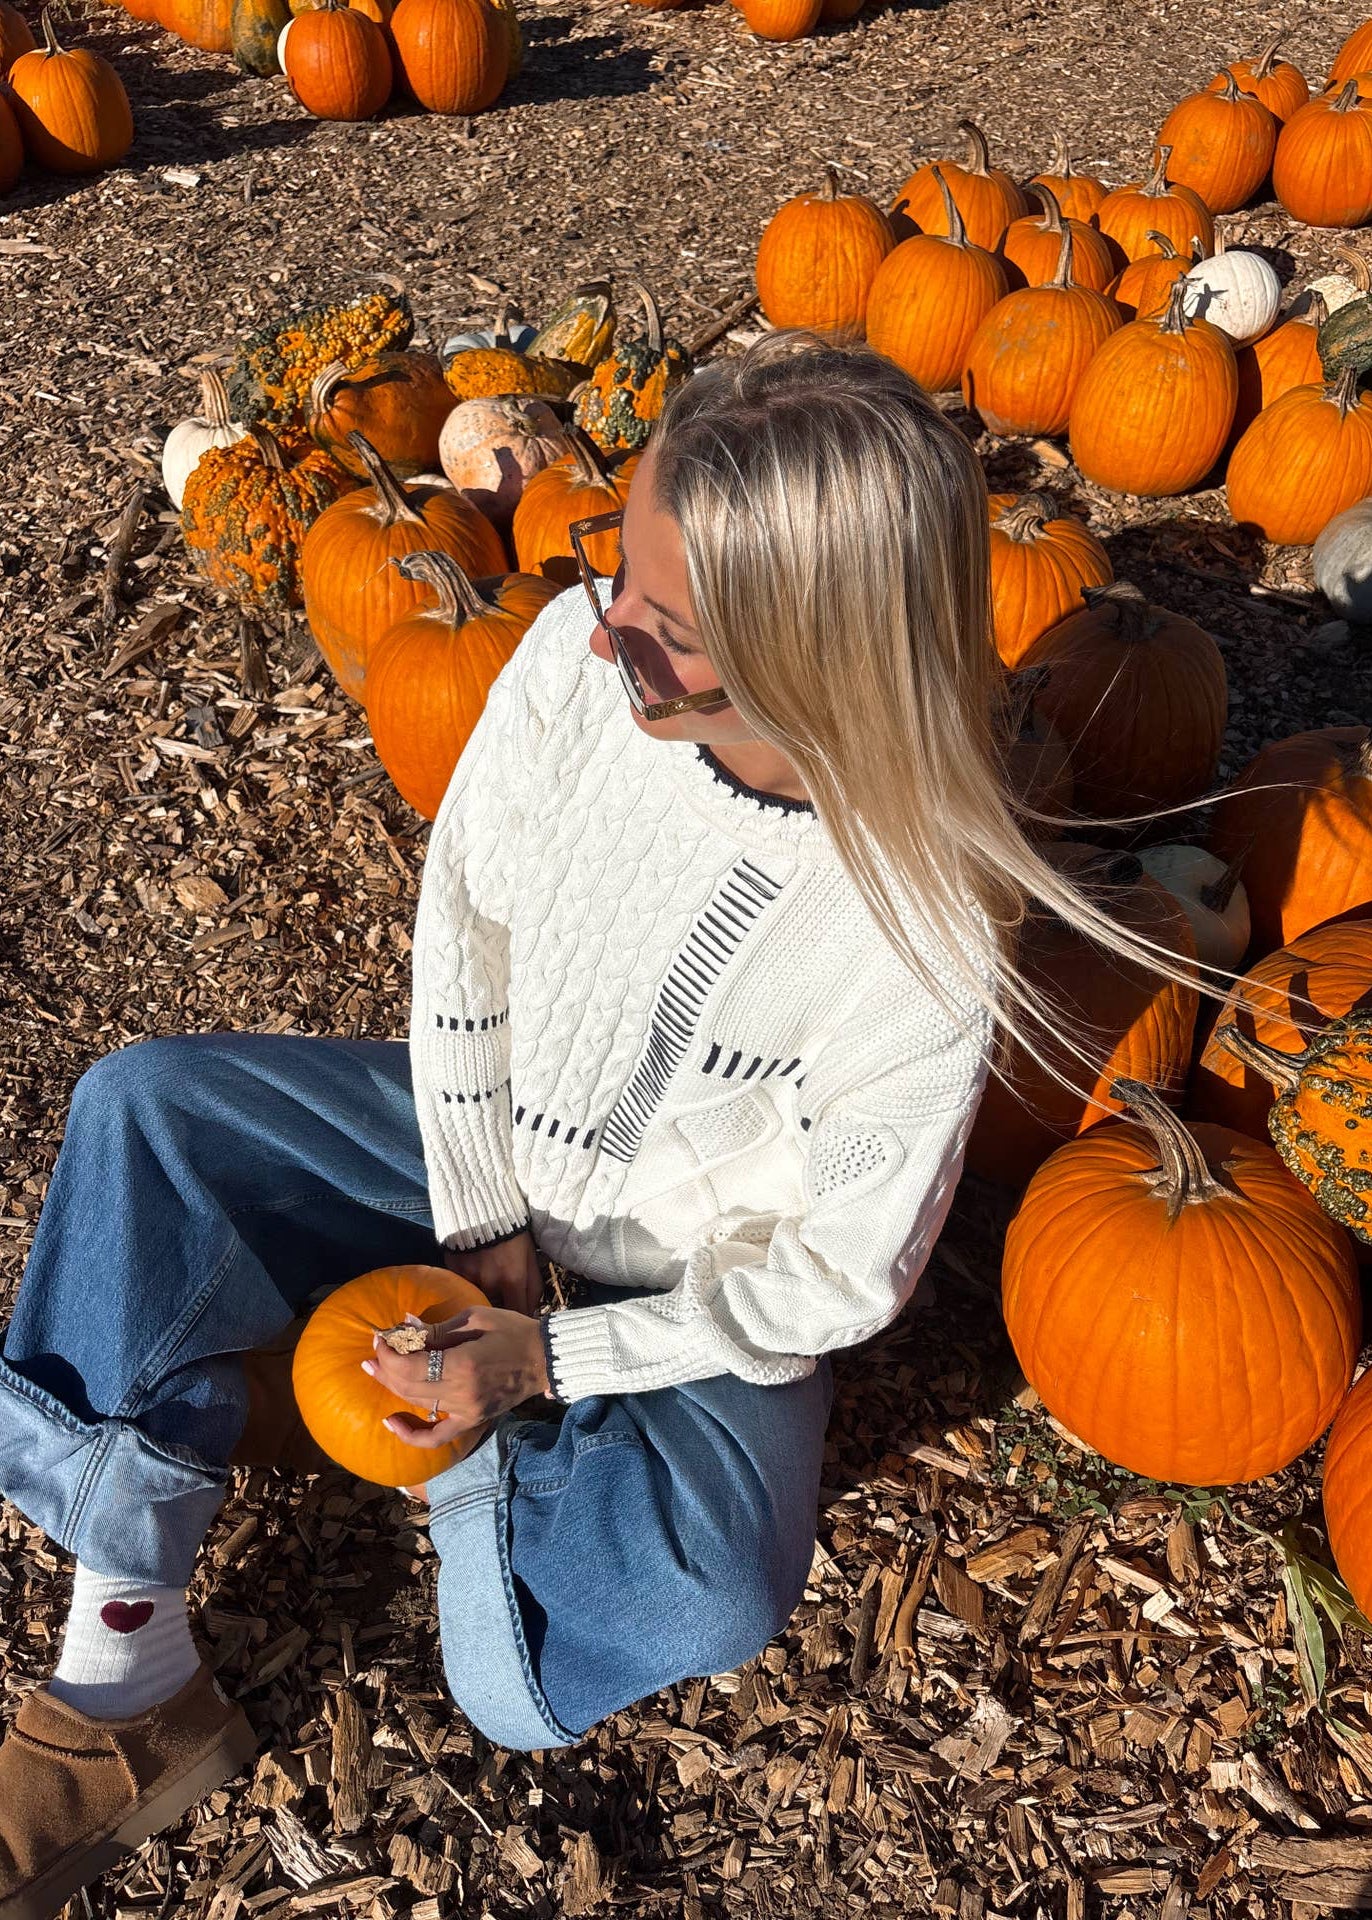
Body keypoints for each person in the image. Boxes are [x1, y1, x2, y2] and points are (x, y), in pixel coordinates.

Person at [0, 332, 1210, 1920]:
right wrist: (481, 1213)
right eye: (614, 570)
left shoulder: (915, 925)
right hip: (498, 1155)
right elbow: (469, 924)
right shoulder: (575, 665)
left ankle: (448, 1430)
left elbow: (834, 1285)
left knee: (692, 1592)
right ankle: (127, 1668)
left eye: (670, 619)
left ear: (818, 650)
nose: (603, 630)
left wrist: (544, 1361)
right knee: (146, 1110)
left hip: (685, 1283)